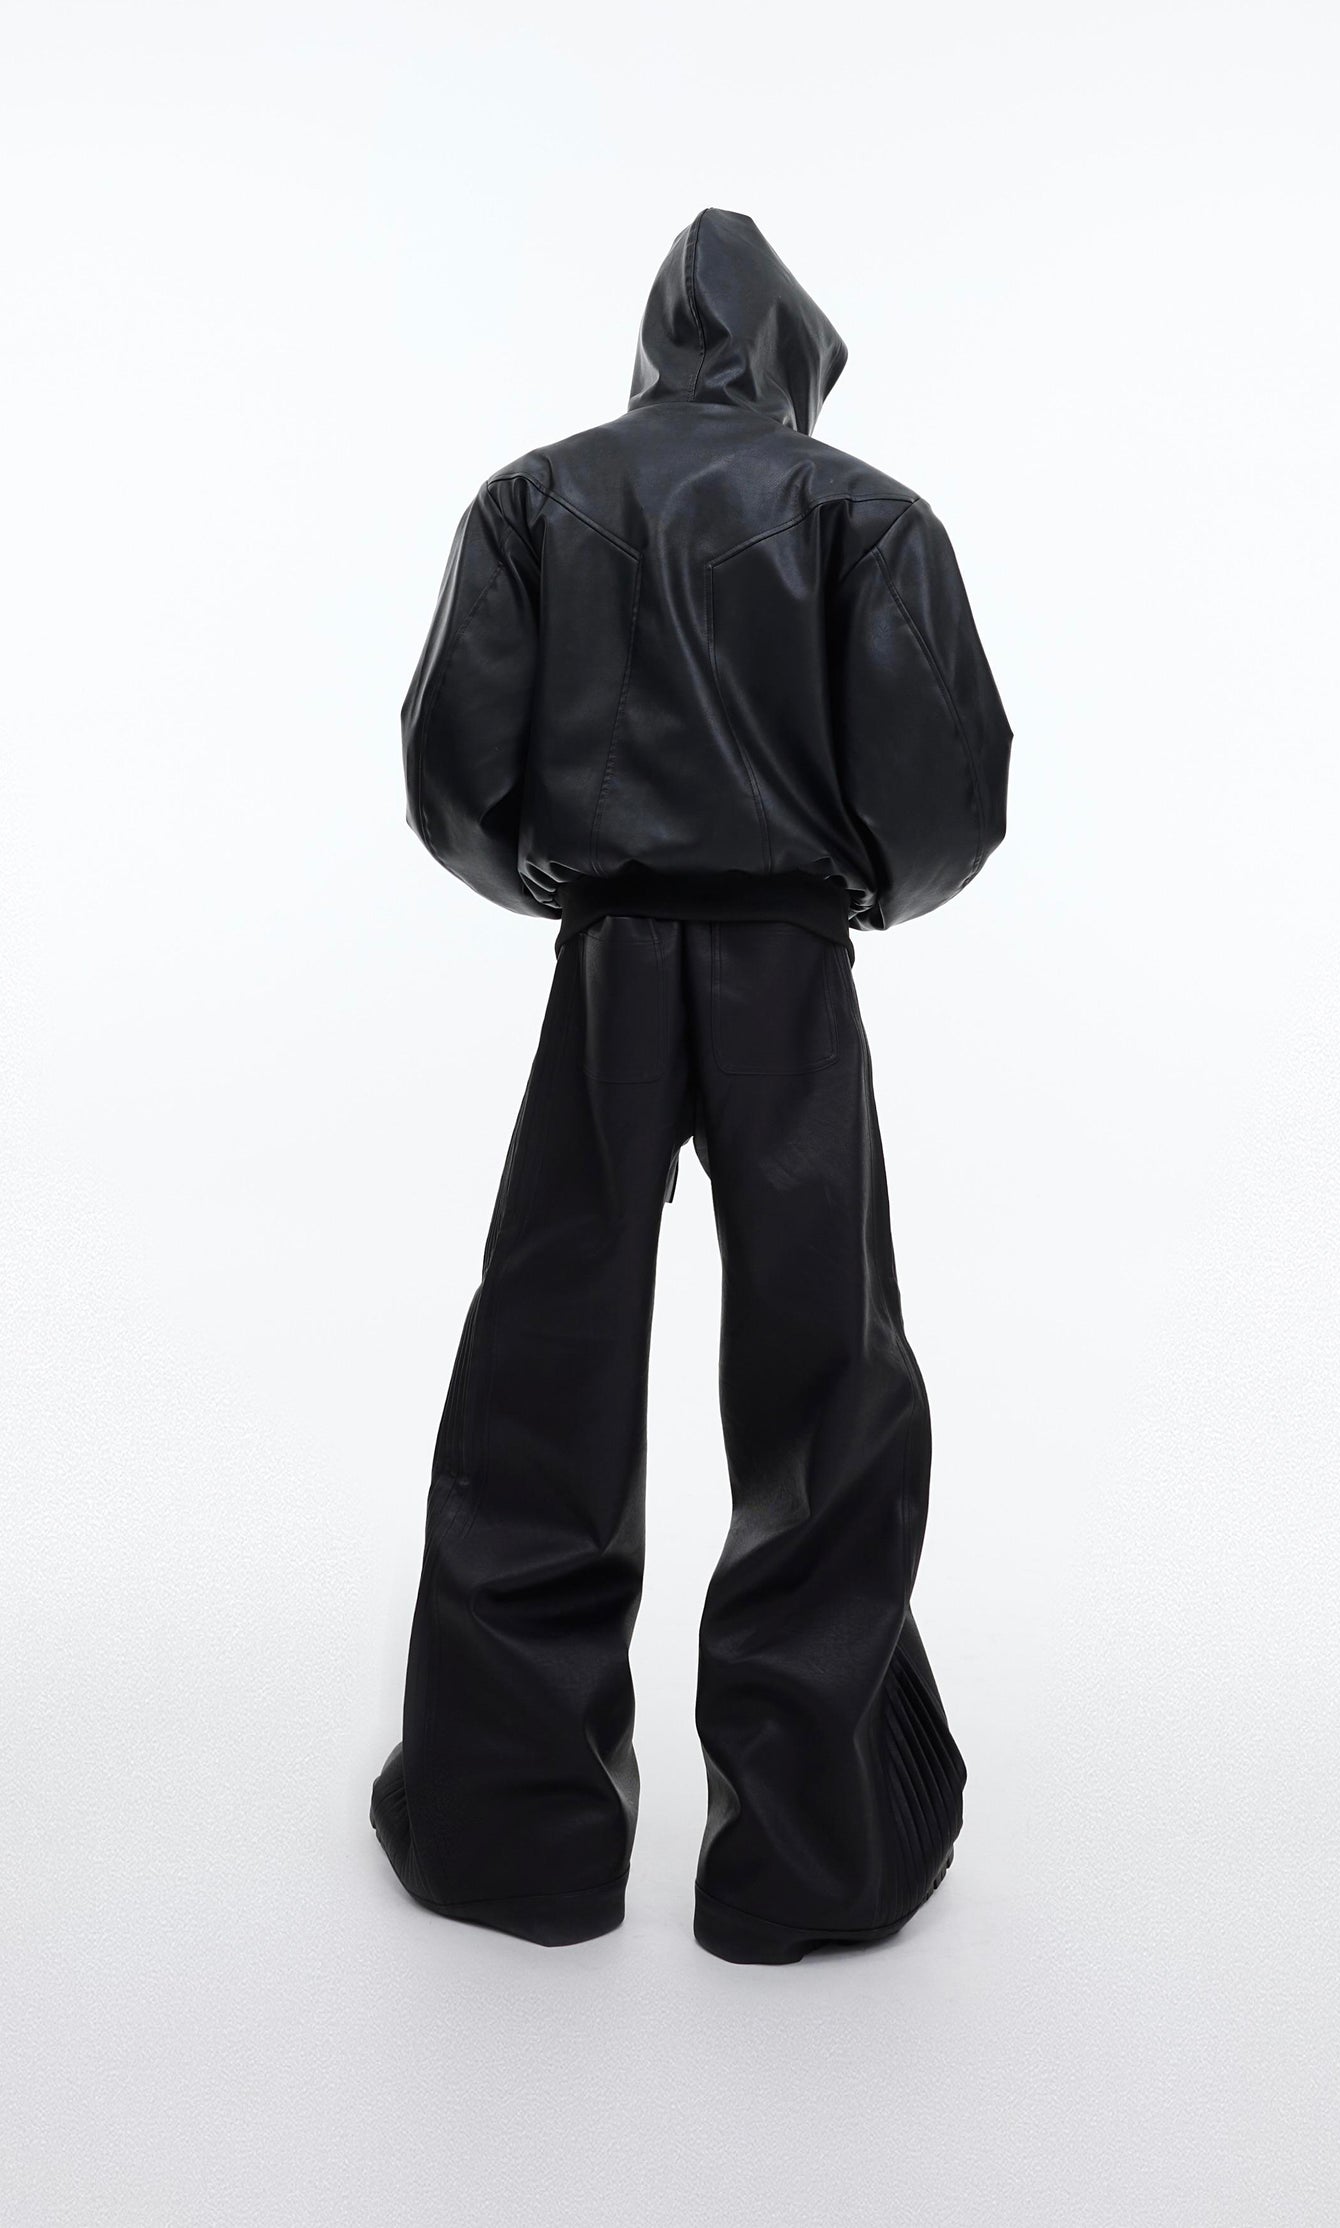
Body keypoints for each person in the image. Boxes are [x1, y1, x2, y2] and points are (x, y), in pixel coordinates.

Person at [370, 208, 1012, 1963]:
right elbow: (948, 789)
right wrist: (853, 892)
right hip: (787, 968)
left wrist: (559, 885)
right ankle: (813, 1852)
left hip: (607, 963)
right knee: (826, 1380)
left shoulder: (534, 497)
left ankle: (513, 1836)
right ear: (797, 356)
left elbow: (449, 769)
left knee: (544, 1359)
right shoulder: (870, 514)